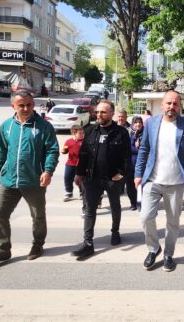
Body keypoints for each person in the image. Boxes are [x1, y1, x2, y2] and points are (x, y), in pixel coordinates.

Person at [0, 90, 59, 269]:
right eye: (21, 105)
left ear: (33, 105)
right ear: (13, 106)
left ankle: (37, 244)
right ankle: (2, 249)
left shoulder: (43, 126)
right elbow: (1, 150)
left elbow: (52, 151)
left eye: (29, 105)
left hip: (33, 180)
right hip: (8, 180)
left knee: (37, 216)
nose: (26, 108)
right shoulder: (6, 126)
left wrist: (48, 171)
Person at [134, 90, 184, 272]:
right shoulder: (152, 123)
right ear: (162, 105)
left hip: (176, 182)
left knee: (173, 222)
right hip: (152, 180)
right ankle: (154, 248)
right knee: (146, 216)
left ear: (180, 106)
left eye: (175, 104)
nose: (172, 107)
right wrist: (138, 173)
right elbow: (144, 149)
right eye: (168, 103)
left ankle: (169, 254)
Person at [71, 100, 132, 258]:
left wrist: (121, 174)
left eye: (103, 112)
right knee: (90, 210)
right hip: (92, 178)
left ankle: (115, 232)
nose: (99, 114)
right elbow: (83, 154)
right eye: (97, 112)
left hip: (112, 178)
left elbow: (126, 157)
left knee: (115, 206)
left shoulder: (121, 132)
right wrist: (79, 173)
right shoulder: (90, 130)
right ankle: (88, 243)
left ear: (111, 113)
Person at [61, 125, 84, 202]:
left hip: (81, 164)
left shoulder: (84, 141)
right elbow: (65, 150)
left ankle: (82, 192)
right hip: (70, 163)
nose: (82, 135)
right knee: (67, 177)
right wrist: (64, 151)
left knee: (80, 179)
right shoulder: (69, 141)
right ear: (74, 133)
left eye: (82, 133)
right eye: (80, 133)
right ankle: (69, 192)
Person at [127, 116, 144, 211]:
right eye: (136, 122)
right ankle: (133, 203)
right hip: (130, 164)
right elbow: (127, 148)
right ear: (133, 124)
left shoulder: (146, 134)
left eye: (140, 122)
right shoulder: (129, 134)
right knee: (130, 185)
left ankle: (140, 203)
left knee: (141, 184)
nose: (138, 124)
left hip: (142, 164)